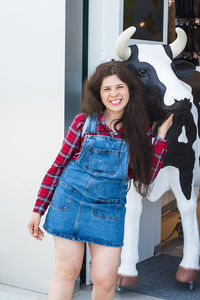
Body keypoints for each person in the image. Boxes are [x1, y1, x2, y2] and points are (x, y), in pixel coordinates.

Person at [28, 61, 173, 300]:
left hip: (109, 210)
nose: (114, 94)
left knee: (105, 280)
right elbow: (58, 165)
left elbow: (144, 176)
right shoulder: (83, 122)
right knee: (66, 272)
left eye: (120, 87)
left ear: (130, 90)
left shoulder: (140, 129)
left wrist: (160, 138)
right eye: (107, 89)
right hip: (70, 203)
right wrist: (38, 209)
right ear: (99, 93)